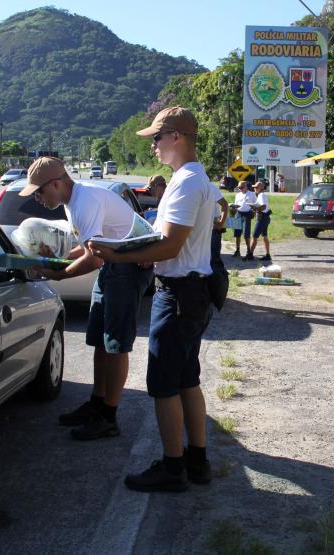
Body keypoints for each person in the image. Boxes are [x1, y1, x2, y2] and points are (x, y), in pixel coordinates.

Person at [89, 106, 220, 492]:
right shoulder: (196, 179)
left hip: (178, 294)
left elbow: (171, 244)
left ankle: (173, 467)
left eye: (157, 139)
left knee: (164, 385)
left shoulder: (185, 183)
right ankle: (197, 461)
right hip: (192, 291)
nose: (154, 148)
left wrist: (117, 255)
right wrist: (146, 248)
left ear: (177, 137)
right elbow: (174, 243)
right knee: (187, 380)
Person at [20, 156, 154, 442]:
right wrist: (54, 260)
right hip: (112, 265)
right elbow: (88, 249)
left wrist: (58, 275)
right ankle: (97, 403)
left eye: (39, 192)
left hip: (128, 268)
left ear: (56, 183)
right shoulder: (72, 202)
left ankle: (109, 418)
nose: (37, 199)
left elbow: (93, 259)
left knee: (116, 344)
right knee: (98, 339)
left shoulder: (84, 202)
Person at [249, 180, 272, 261]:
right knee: (264, 236)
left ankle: (250, 255)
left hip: (262, 218)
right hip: (265, 217)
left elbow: (263, 207)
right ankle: (268, 255)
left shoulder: (261, 195)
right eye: (254, 187)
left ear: (261, 188)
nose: (254, 188)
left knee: (254, 236)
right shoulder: (261, 195)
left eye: (256, 187)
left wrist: (255, 208)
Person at [233, 181, 256, 259]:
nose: (240, 189)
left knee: (246, 234)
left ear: (246, 186)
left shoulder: (252, 194)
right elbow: (236, 204)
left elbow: (256, 204)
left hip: (247, 215)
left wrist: (254, 212)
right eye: (239, 188)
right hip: (238, 214)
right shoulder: (237, 195)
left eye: (242, 187)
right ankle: (237, 250)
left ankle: (248, 251)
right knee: (237, 234)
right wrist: (233, 207)